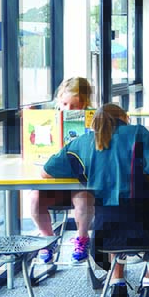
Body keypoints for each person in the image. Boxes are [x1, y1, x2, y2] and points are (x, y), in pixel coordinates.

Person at [41, 104, 149, 297]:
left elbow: (46, 171)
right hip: (144, 223)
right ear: (124, 117)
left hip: (103, 231)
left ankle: (117, 285)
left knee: (114, 224)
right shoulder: (138, 133)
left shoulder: (81, 142)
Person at [30, 76, 95, 266]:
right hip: (55, 180)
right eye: (65, 104)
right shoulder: (51, 118)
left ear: (85, 104)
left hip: (81, 181)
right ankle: (47, 239)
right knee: (35, 199)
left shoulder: (95, 119)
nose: (68, 109)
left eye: (75, 105)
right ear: (59, 101)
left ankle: (82, 238)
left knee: (83, 198)